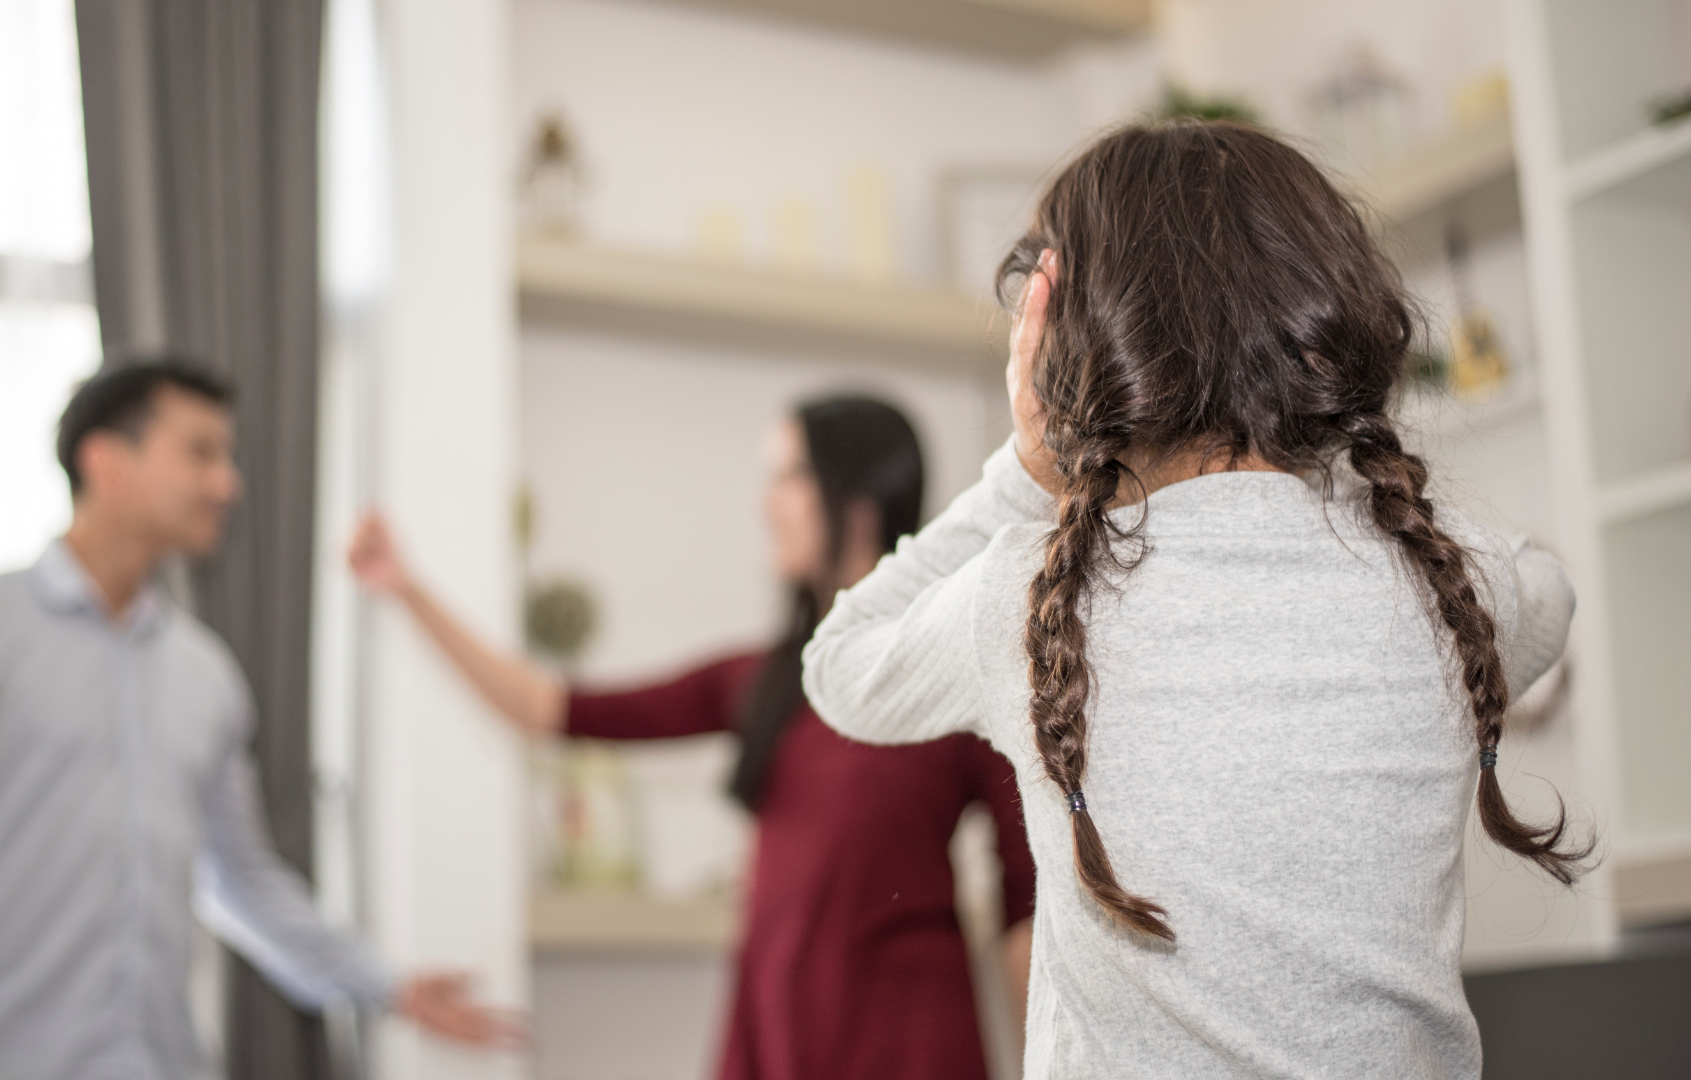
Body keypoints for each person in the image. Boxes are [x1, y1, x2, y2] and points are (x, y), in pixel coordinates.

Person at [803, 120, 1592, 1080]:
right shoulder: (1440, 581)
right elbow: (1546, 589)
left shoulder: (1026, 594)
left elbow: (840, 664)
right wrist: (1338, 480)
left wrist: (1027, 468)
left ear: (1063, 340)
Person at [0, 361, 519, 1080]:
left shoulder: (208, 676)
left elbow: (242, 878)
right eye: (200, 453)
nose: (228, 483)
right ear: (105, 460)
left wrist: (381, 985)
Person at [347, 395, 1034, 1080]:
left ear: (858, 504)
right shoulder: (765, 683)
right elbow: (545, 707)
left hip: (907, 1051)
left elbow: (1024, 910)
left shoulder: (953, 682)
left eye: (788, 476)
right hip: (776, 1038)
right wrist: (407, 590)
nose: (767, 503)